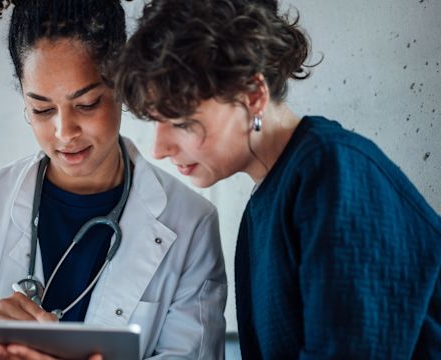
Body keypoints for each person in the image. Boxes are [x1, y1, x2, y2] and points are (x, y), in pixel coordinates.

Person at [0, 0, 228, 359]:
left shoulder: (190, 224)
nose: (64, 132)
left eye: (87, 104)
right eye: (42, 110)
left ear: (122, 85)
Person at [113, 0, 441, 358]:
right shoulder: (265, 204)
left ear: (254, 97)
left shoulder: (333, 173)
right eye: (156, 121)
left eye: (181, 122)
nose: (159, 148)